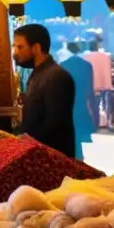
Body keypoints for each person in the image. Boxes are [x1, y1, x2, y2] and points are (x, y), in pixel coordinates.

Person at [14, 24, 76, 158]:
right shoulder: (39, 73)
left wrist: (26, 141)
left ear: (36, 48)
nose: (15, 52)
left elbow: (55, 123)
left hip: (51, 158)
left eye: (20, 47)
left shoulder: (56, 76)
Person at [60, 42, 95, 161]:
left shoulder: (63, 65)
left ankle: (76, 159)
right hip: (81, 102)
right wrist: (94, 110)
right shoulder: (87, 65)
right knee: (78, 134)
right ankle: (78, 159)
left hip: (67, 103)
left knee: (72, 135)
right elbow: (90, 89)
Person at [83, 40, 114, 129]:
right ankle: (107, 122)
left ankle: (94, 123)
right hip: (104, 83)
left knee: (92, 104)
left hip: (91, 84)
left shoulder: (86, 57)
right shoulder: (106, 56)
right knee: (105, 104)